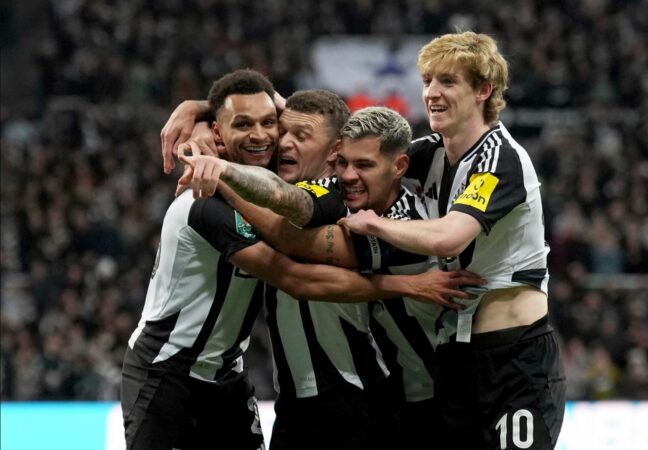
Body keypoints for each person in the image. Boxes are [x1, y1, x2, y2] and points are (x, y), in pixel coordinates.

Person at [123, 70, 464, 450]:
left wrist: (221, 168)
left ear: (335, 150)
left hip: (355, 395)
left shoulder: (343, 199)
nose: (281, 141)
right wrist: (198, 111)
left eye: (299, 136)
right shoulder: (250, 185)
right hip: (253, 392)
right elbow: (258, 108)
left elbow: (294, 247)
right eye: (282, 132)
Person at [338, 32, 567, 449]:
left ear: (483, 90)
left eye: (447, 81)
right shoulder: (431, 153)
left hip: (515, 359)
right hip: (455, 361)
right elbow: (367, 164)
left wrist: (375, 225)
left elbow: (450, 237)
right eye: (427, 81)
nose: (431, 93)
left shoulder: (500, 158)